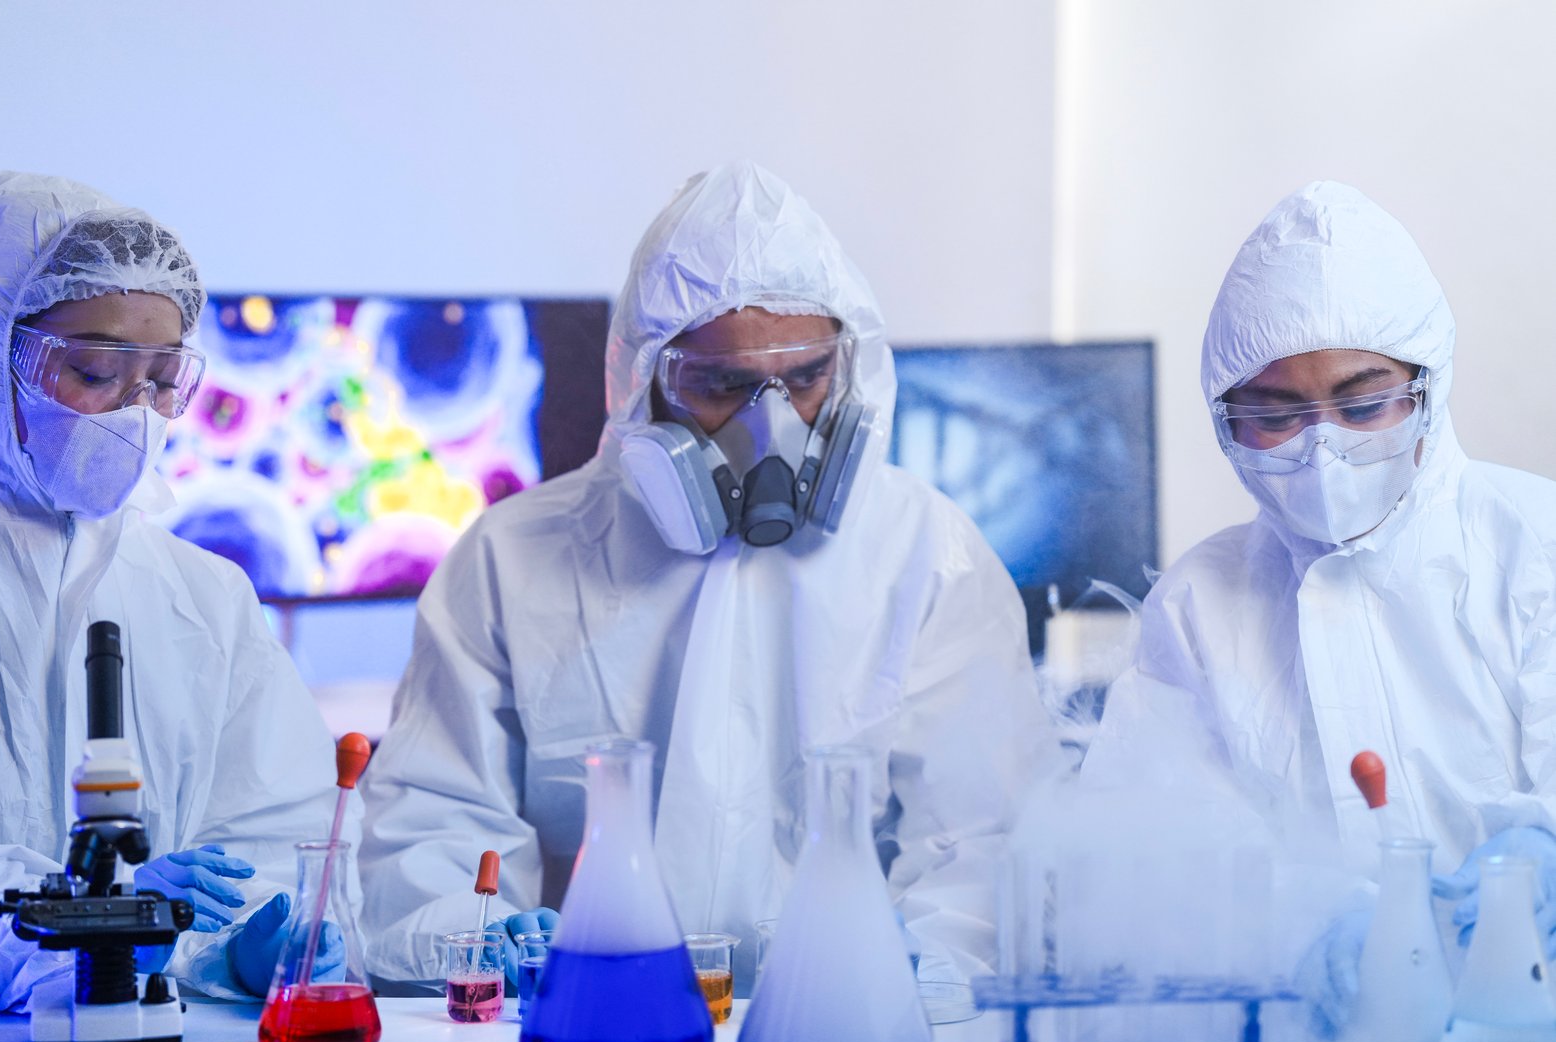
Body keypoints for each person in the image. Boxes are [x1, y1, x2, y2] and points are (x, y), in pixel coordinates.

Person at [359, 161, 1059, 991]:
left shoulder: (925, 553)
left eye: (806, 377)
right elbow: (435, 827)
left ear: (849, 363)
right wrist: (479, 946)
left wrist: (914, 981)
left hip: (836, 1028)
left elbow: (980, 842)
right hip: (598, 1020)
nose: (773, 423)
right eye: (725, 386)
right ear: (645, 381)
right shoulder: (512, 559)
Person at [1084, 180, 1556, 1029]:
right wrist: (1296, 930)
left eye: (1364, 403)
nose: (1323, 447)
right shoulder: (1200, 603)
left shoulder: (1534, 545)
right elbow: (1142, 852)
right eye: (1275, 415)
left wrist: (1542, 851)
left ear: (1427, 386)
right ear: (1228, 422)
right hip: (1318, 1036)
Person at [0, 172, 346, 1010]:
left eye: (162, 381)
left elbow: (274, 834)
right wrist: (87, 919)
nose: (137, 414)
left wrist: (240, 947)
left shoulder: (203, 596)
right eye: (95, 371)